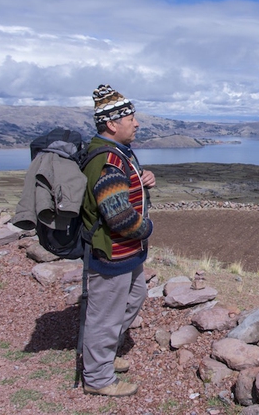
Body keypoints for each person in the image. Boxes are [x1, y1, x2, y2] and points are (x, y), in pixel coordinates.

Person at [80, 84, 156, 396]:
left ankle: (104, 357)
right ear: (112, 124)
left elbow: (124, 190)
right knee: (105, 317)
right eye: (131, 119)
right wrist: (147, 228)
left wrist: (144, 179)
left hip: (127, 254)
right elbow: (119, 217)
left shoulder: (119, 153)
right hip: (112, 252)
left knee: (135, 297)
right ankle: (98, 379)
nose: (136, 123)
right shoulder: (110, 159)